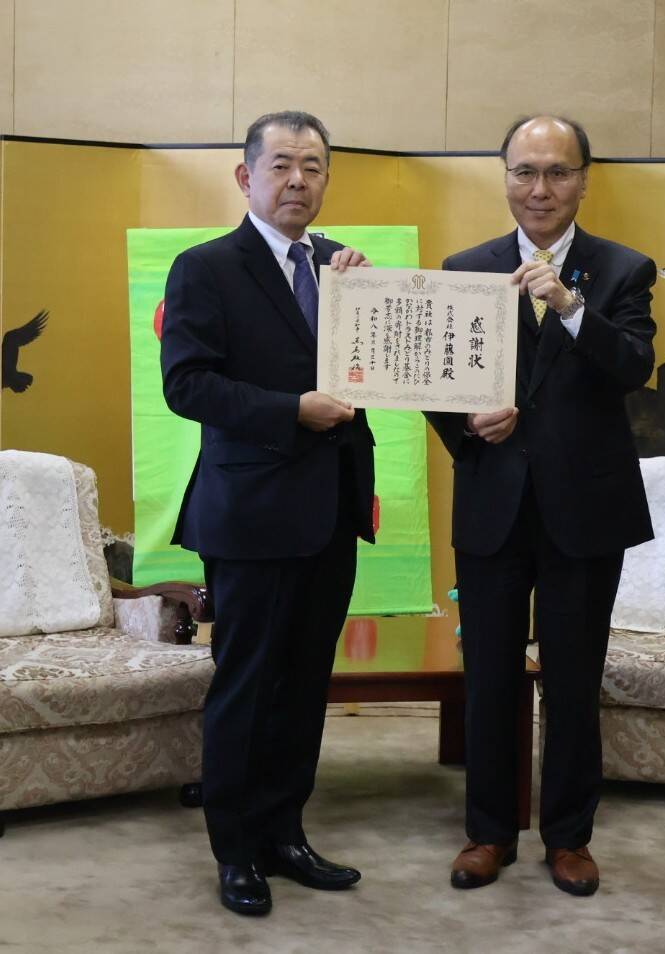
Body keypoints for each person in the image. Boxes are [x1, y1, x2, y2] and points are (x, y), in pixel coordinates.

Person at [426, 115, 656, 897]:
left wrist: (568, 305)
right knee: (487, 678)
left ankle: (568, 838)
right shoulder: (465, 267)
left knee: (571, 681)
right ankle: (487, 833)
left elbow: (631, 367)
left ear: (584, 180)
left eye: (557, 172)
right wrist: (467, 433)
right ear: (504, 179)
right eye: (525, 172)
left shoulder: (621, 270)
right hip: (493, 506)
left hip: (585, 513)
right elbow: (436, 384)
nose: (539, 189)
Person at [161, 111, 376, 917]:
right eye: (281, 164)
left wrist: (371, 294)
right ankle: (235, 851)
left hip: (331, 508)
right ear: (245, 176)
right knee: (247, 683)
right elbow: (187, 385)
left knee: (304, 683)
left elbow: (378, 366)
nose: (298, 180)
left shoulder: (340, 266)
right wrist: (291, 408)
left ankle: (286, 833)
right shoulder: (206, 268)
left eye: (313, 167)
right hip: (251, 511)